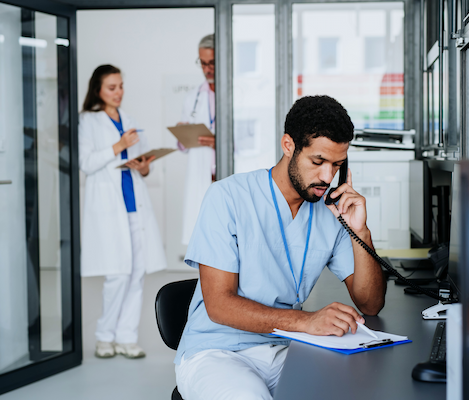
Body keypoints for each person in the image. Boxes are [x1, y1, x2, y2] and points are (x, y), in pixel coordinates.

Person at [174, 95, 386, 399]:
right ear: (288, 145)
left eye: (337, 165)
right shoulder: (227, 197)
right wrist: (308, 321)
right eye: (318, 162)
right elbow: (219, 305)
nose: (327, 177)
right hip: (218, 351)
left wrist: (360, 230)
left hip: (284, 347)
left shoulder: (331, 212)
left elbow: (371, 303)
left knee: (352, 390)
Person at [79, 65, 167, 359]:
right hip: (108, 208)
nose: (118, 93)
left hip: (134, 206)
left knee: (137, 273)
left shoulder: (129, 120)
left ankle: (127, 338)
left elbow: (140, 163)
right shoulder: (88, 121)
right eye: (111, 88)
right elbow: (87, 163)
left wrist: (144, 166)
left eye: (120, 86)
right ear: (98, 90)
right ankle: (105, 337)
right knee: (117, 274)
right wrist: (119, 145)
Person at [178, 33, 216, 245]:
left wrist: (220, 141)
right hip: (202, 177)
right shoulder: (193, 97)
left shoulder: (237, 93)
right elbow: (183, 147)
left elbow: (253, 141)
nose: (207, 69)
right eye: (202, 63)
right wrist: (183, 135)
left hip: (224, 174)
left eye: (211, 63)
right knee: (205, 240)